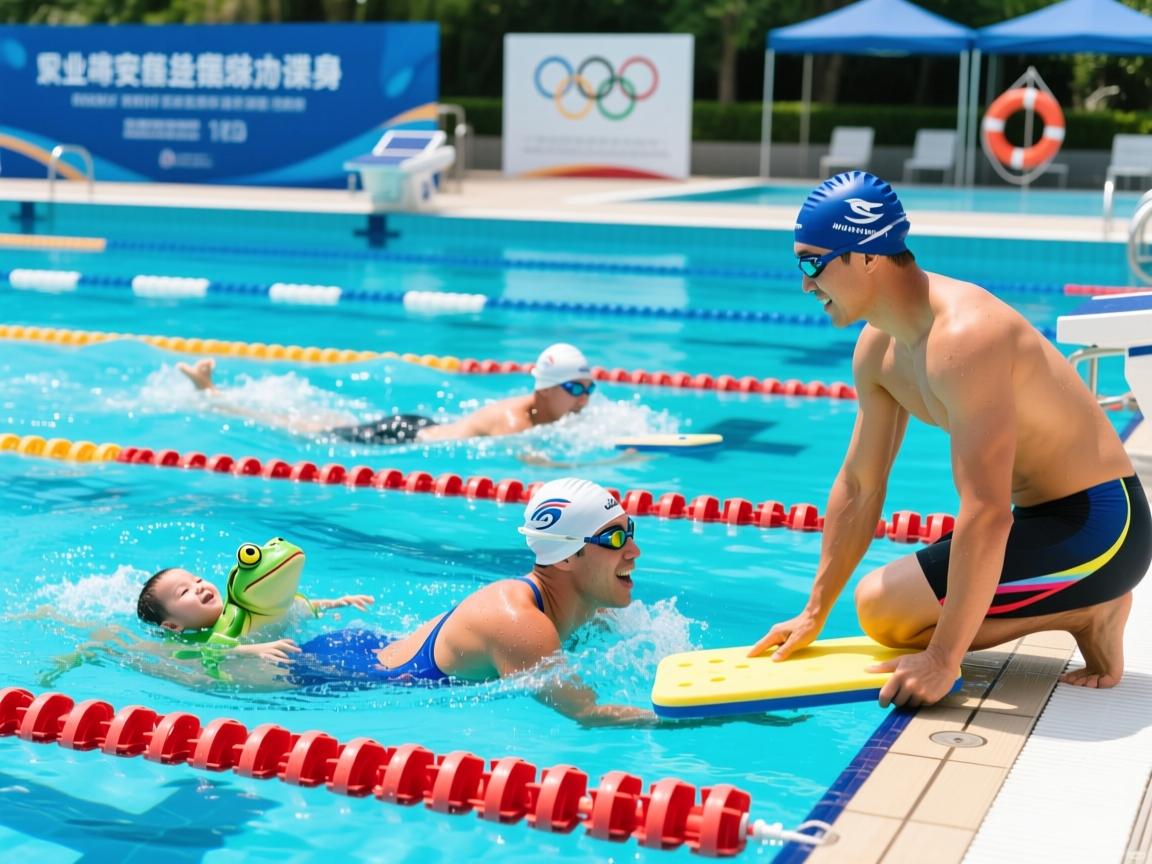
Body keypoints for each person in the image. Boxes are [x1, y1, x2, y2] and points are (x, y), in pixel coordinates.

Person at [750, 171, 1151, 709]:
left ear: (865, 256)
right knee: (885, 611)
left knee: (888, 610)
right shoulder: (878, 350)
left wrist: (943, 657)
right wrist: (814, 610)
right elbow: (861, 485)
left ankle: (1091, 609)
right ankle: (1080, 604)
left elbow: (986, 511)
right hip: (1038, 520)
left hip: (1103, 527)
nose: (805, 284)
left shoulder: (965, 337)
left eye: (812, 263)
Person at [286, 477, 658, 726]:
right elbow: (587, 712)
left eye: (629, 531)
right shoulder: (519, 624)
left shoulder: (592, 608)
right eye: (614, 539)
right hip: (345, 674)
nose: (634, 551)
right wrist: (682, 716)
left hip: (375, 645)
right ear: (565, 557)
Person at [174, 342, 597, 444]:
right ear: (545, 390)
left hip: (420, 425)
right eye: (575, 388)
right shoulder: (513, 422)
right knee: (303, 430)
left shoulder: (546, 411)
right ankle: (215, 396)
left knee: (326, 422)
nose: (584, 397)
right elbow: (533, 461)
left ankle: (215, 391)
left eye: (589, 387)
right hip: (402, 438)